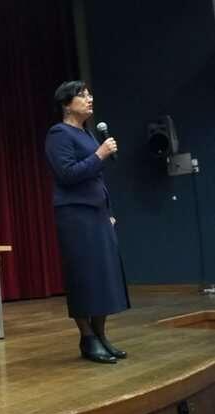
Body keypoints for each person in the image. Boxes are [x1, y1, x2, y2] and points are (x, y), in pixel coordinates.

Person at [45, 81, 130, 364]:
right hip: (75, 215)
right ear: (66, 104)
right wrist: (100, 154)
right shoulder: (59, 134)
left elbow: (96, 178)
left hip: (97, 212)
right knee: (84, 275)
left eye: (90, 94)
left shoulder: (88, 133)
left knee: (104, 274)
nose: (89, 98)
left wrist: (108, 210)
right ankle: (87, 337)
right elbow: (67, 174)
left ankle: (101, 335)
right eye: (82, 95)